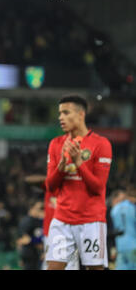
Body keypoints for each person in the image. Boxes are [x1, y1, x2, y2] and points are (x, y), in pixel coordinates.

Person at [45, 95, 112, 270]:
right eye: (60, 113)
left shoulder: (101, 144)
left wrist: (78, 163)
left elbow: (98, 187)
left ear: (81, 114)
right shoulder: (56, 144)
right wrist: (60, 169)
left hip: (91, 221)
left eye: (66, 113)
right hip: (62, 220)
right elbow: (50, 187)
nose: (61, 117)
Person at [24, 174, 79, 269]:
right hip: (50, 234)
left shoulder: (73, 189)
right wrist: (52, 178)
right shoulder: (50, 186)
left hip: (68, 233)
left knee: (71, 265)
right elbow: (28, 179)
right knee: (49, 264)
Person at [110, 189, 136, 270]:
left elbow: (113, 230)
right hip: (133, 246)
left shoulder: (114, 210)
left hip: (120, 246)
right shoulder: (132, 207)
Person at [16, 200, 45, 270]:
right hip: (29, 254)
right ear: (32, 209)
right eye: (38, 209)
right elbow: (23, 240)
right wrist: (21, 257)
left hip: (37, 255)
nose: (39, 211)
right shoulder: (27, 221)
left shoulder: (38, 220)